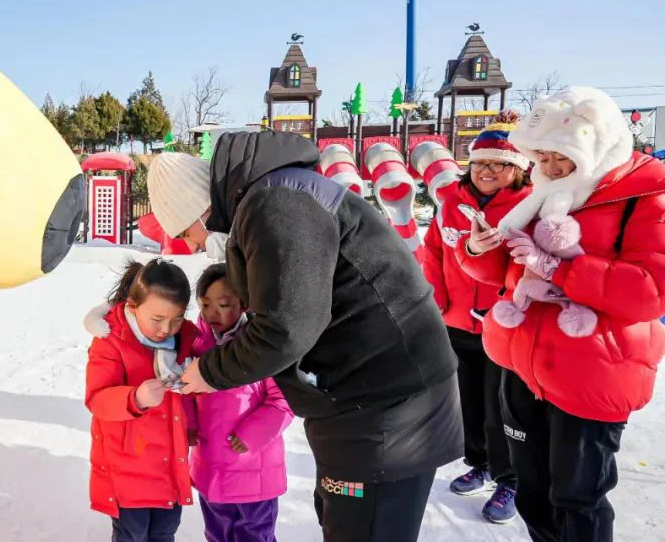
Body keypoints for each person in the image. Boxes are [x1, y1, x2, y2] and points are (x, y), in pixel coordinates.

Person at [144, 134, 463, 542]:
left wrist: (210, 372)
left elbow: (285, 327)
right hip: (359, 398)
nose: (191, 245)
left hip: (389, 407)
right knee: (342, 519)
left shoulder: (276, 204)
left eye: (185, 233)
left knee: (365, 527)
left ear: (199, 211)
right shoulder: (271, 199)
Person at [458, 87, 665, 542]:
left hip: (593, 370)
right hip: (522, 362)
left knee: (577, 499)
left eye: (563, 159)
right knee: (534, 493)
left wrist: (561, 267)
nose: (550, 170)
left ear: (597, 145)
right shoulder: (542, 193)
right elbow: (503, 272)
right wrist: (477, 247)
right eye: (543, 158)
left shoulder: (647, 192)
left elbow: (651, 291)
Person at [417, 111, 531, 523]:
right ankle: (479, 461)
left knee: (504, 405)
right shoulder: (451, 202)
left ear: (517, 169)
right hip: (458, 321)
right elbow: (433, 254)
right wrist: (440, 301)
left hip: (505, 327)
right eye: (479, 162)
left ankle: (511, 478)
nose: (485, 171)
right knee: (468, 399)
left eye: (497, 163)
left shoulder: (528, 206)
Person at [85, 258, 199, 542]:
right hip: (127, 466)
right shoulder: (112, 338)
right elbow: (97, 399)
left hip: (169, 463)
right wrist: (134, 397)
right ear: (134, 307)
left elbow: (198, 390)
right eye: (157, 319)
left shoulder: (187, 338)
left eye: (176, 319)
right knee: (132, 534)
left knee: (164, 532)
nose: (166, 329)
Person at [190, 263, 294, 542]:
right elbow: (186, 393)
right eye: (205, 304)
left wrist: (252, 434)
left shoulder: (259, 346)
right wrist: (188, 425)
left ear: (244, 303)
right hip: (210, 469)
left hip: (252, 472)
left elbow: (283, 399)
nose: (212, 312)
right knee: (217, 534)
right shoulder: (197, 343)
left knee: (253, 535)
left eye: (223, 304)